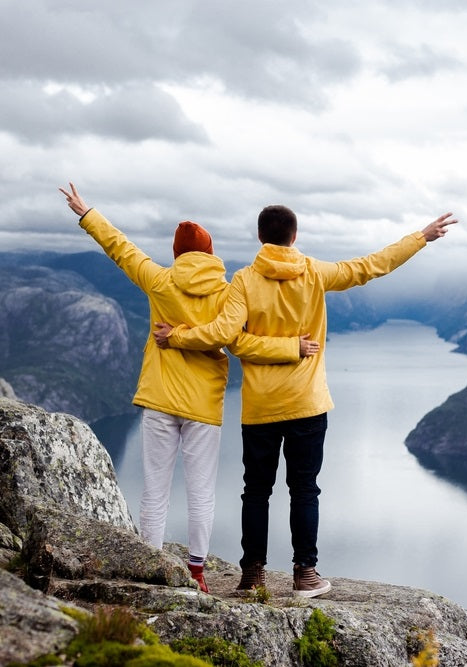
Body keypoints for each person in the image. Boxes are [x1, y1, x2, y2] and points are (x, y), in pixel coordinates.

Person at [154, 204, 457, 597]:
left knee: (256, 492)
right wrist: (422, 237)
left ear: (260, 237)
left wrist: (175, 336)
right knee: (305, 489)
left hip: (260, 407)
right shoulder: (315, 272)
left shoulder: (244, 281)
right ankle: (305, 575)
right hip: (307, 404)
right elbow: (371, 266)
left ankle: (252, 576)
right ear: (294, 237)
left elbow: (227, 338)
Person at [59, 184, 320, 594]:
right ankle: (197, 573)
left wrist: (87, 212)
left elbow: (121, 249)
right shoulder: (228, 291)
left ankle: (149, 567)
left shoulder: (160, 281)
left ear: (178, 253)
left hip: (160, 398)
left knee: (155, 489)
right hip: (204, 406)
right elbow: (236, 340)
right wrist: (292, 348)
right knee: (201, 493)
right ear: (211, 253)